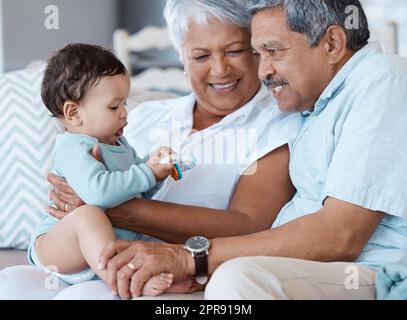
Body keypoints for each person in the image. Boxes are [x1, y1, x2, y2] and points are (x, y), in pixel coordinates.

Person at [93, 0, 407, 300]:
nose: (262, 71)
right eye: (258, 53)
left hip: (364, 271)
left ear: (332, 44)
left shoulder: (382, 81)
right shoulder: (316, 105)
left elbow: (342, 235)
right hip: (301, 268)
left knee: (236, 278)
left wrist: (191, 258)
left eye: (272, 51)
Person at [0, 0, 303, 300]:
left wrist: (115, 208)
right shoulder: (145, 116)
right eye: (200, 55)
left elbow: (249, 226)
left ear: (256, 49)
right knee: (10, 284)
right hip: (95, 258)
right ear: (181, 56)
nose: (220, 69)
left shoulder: (277, 126)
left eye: (235, 50)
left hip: (164, 267)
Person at [27, 43, 200, 296]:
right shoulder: (73, 146)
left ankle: (145, 273)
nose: (124, 115)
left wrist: (156, 171)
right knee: (88, 216)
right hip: (58, 246)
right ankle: (127, 281)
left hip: (100, 250)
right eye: (113, 107)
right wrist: (147, 172)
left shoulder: (119, 144)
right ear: (74, 113)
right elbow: (98, 194)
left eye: (125, 104)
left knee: (151, 241)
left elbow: (135, 194)